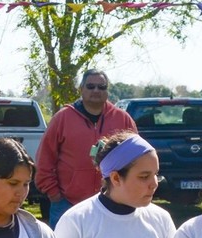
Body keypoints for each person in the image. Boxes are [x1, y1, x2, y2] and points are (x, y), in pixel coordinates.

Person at [36, 69, 137, 228]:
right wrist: (54, 194)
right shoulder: (62, 118)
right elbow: (44, 160)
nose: (96, 90)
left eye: (101, 87)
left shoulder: (122, 119)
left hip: (112, 204)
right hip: (67, 204)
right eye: (90, 86)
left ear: (107, 91)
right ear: (81, 89)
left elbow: (136, 160)